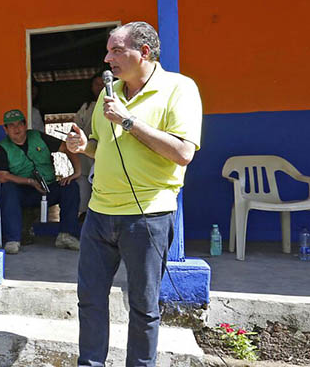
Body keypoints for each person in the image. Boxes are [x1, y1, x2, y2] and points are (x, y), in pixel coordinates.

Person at [66, 22, 202, 367]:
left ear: (143, 52)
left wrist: (129, 121)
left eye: (116, 50)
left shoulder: (179, 89)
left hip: (148, 216)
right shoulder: (107, 94)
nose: (107, 57)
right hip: (99, 213)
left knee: (143, 306)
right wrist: (84, 146)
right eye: (108, 50)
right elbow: (103, 146)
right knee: (90, 300)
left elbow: (183, 152)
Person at [0, 109, 82, 254]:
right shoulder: (2, 148)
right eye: (11, 126)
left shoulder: (38, 137)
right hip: (23, 191)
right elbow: (2, 176)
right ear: (5, 129)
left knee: (70, 187)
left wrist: (76, 172)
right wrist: (29, 181)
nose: (16, 129)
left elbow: (66, 148)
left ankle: (66, 235)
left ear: (25, 125)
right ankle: (13, 240)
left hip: (48, 188)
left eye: (19, 124)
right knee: (8, 189)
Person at [73, 73, 106, 217]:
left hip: (106, 153)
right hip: (86, 155)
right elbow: (76, 127)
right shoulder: (86, 107)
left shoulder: (115, 105)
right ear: (91, 87)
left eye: (103, 83)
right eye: (97, 84)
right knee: (84, 186)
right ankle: (84, 213)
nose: (100, 87)